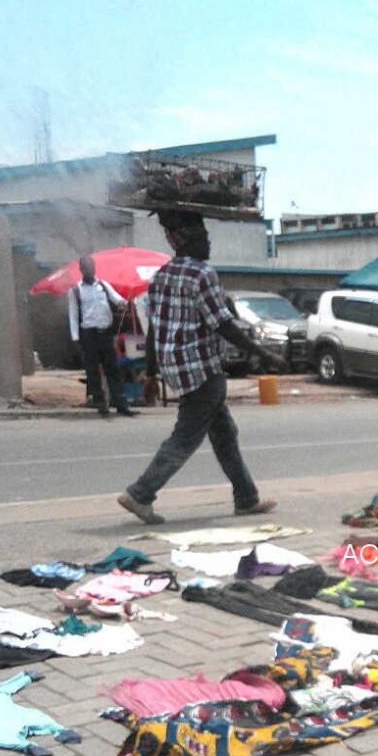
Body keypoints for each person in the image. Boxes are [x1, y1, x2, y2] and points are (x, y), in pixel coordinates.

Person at [117, 209, 278, 526]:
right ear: (185, 240)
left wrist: (151, 373)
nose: (208, 243)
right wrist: (263, 354)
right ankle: (140, 493)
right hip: (202, 371)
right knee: (185, 438)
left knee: (224, 433)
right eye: (203, 237)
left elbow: (155, 331)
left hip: (178, 371)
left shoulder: (161, 275)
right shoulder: (203, 274)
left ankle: (246, 498)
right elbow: (224, 325)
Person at [68, 256, 135, 417]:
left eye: (91, 267)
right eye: (86, 267)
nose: (89, 270)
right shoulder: (75, 291)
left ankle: (120, 403)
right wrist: (75, 338)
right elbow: (73, 315)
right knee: (93, 370)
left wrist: (124, 303)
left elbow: (117, 299)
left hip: (105, 332)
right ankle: (100, 402)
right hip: (88, 334)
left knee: (112, 369)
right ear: (81, 270)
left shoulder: (103, 286)